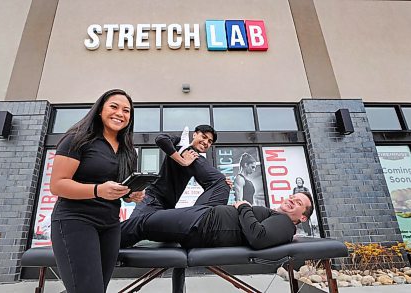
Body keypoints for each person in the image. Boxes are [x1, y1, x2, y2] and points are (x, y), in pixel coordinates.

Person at [50, 89, 144, 293]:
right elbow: (57, 185)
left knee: (96, 288)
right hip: (75, 221)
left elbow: (118, 188)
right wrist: (97, 190)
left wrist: (131, 194)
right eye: (114, 107)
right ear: (100, 110)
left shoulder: (128, 151)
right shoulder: (77, 139)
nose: (120, 113)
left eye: (126, 110)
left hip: (110, 225)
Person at [121, 125, 231, 247]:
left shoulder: (195, 158)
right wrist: (182, 160)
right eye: (203, 137)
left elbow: (210, 180)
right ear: (194, 134)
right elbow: (160, 139)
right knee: (126, 233)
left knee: (174, 243)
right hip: (152, 199)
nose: (206, 142)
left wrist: (223, 181)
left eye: (210, 142)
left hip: (168, 208)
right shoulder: (180, 144)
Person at [122, 192, 314, 250]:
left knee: (142, 224)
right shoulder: (277, 217)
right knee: (147, 215)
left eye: (298, 203)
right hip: (203, 217)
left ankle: (102, 241)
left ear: (303, 217)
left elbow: (259, 238)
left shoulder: (286, 224)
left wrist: (244, 206)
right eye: (292, 197)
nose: (291, 200)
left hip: (202, 224)